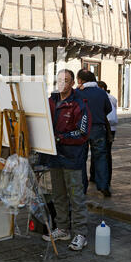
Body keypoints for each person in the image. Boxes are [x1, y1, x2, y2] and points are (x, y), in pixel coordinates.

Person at [43, 69, 91, 251]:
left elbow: (82, 132)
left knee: (76, 197)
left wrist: (58, 138)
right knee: (58, 195)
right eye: (59, 80)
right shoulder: (51, 101)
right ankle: (63, 228)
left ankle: (81, 233)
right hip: (54, 157)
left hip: (72, 158)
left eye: (66, 80)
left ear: (72, 83)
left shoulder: (79, 104)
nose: (62, 83)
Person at [76, 69, 112, 197]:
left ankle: (82, 187)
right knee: (101, 157)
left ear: (80, 80)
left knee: (81, 158)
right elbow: (108, 108)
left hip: (82, 128)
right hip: (98, 128)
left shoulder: (77, 93)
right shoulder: (101, 93)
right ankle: (103, 186)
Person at [96, 81, 118, 187]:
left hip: (105, 127)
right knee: (106, 153)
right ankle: (104, 178)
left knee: (102, 153)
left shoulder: (101, 97)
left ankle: (103, 179)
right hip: (111, 128)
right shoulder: (112, 98)